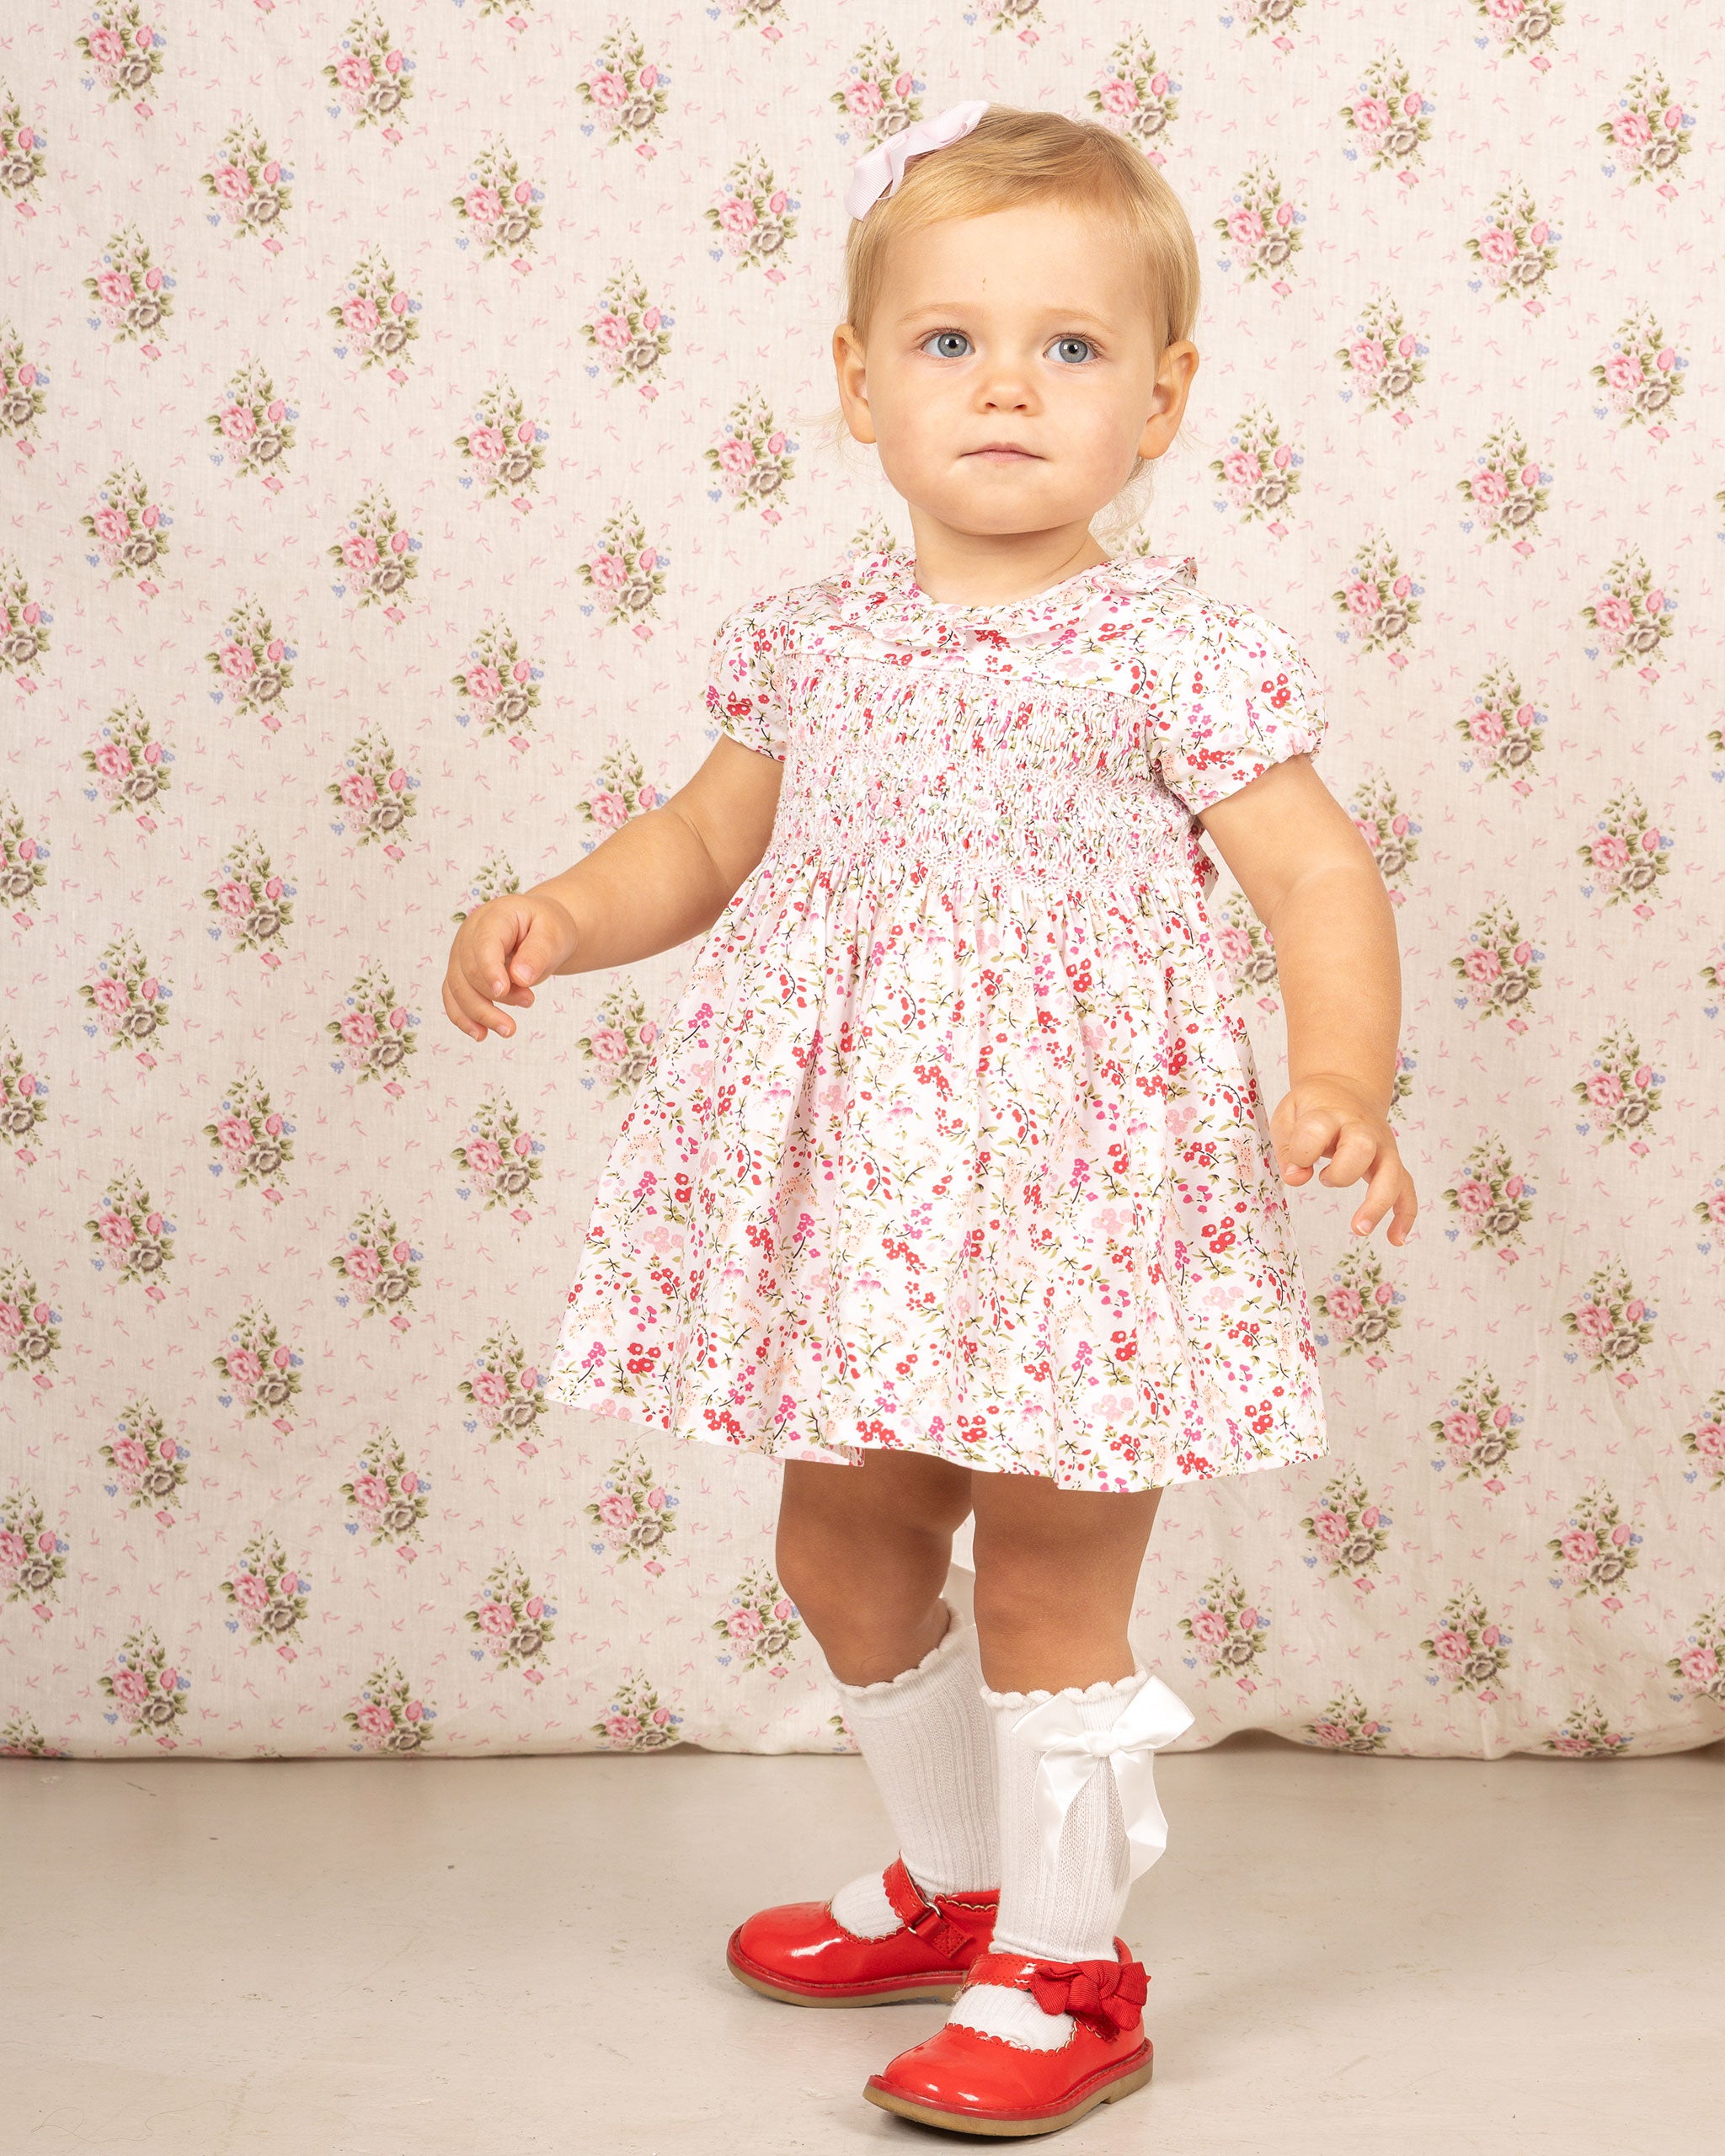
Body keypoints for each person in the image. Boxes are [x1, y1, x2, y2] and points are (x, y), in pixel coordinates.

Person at [442, 99, 1418, 2141]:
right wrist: (559, 907)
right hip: (870, 1198)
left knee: (1054, 1576)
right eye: (952, 341)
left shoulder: (1169, 646)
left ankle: (1069, 1962)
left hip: (1077, 1199)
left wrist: (1339, 1071)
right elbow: (702, 844)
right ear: (858, 383)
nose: (1004, 385)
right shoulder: (814, 636)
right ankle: (951, 1876)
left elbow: (1319, 876)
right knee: (844, 1539)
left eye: (1068, 349)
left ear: (1156, 404)